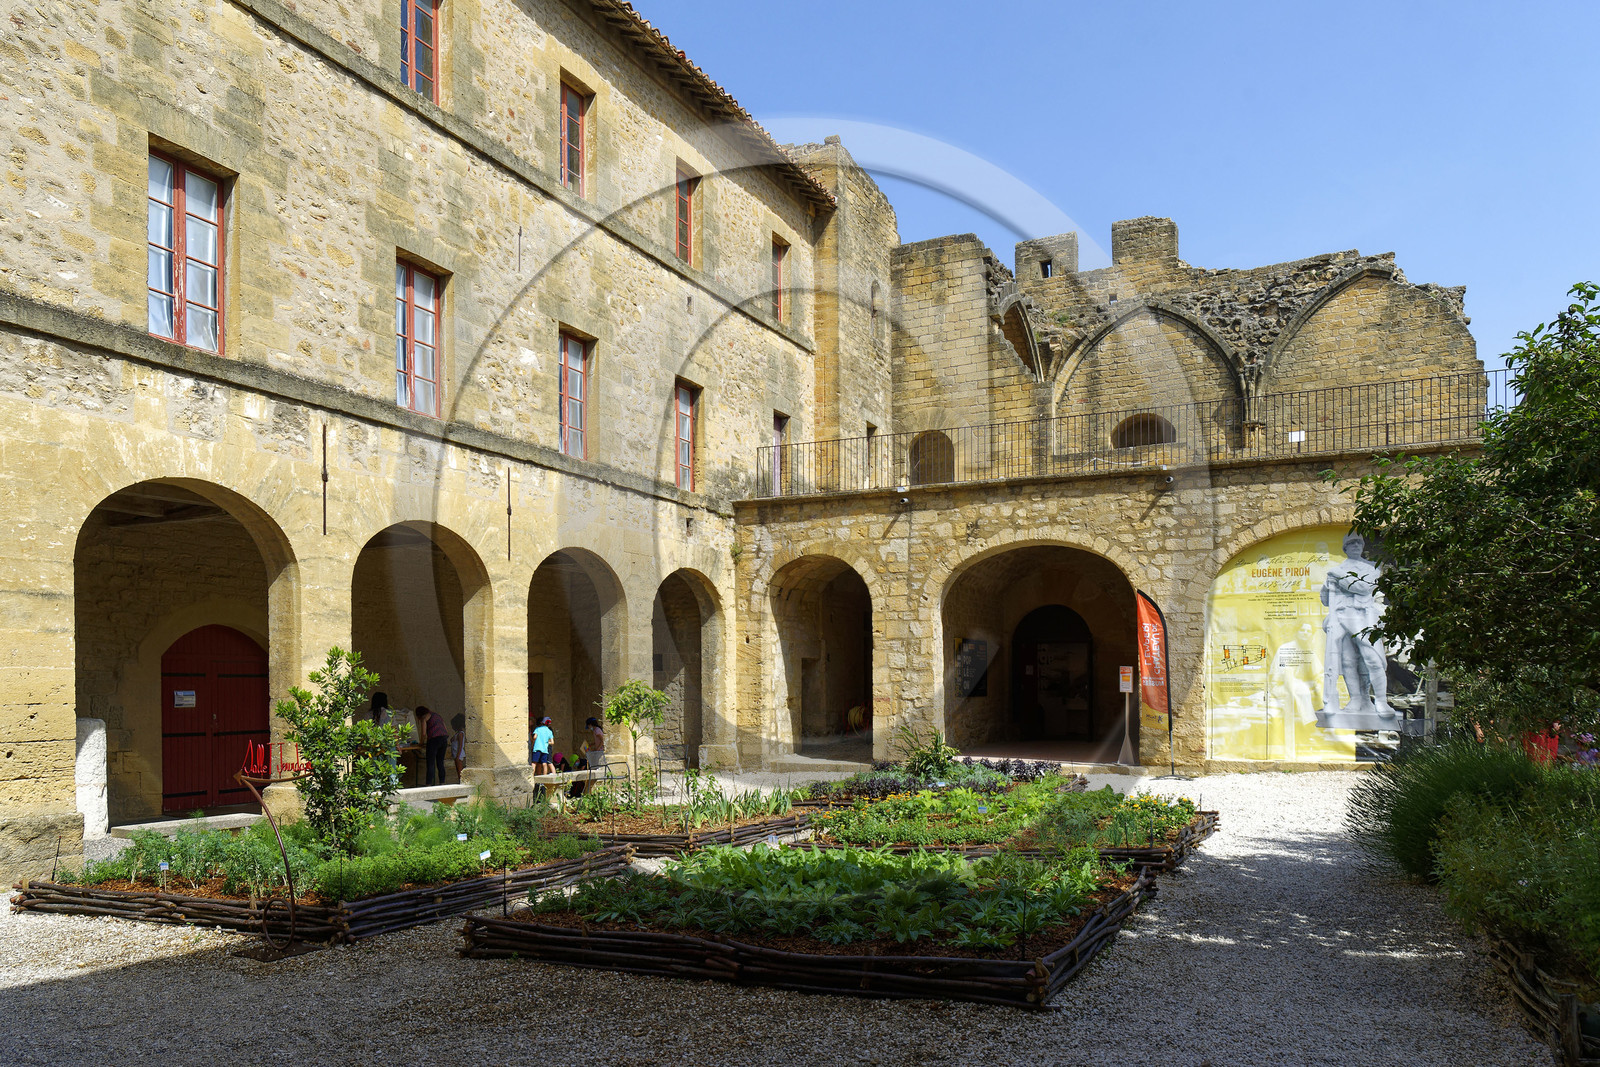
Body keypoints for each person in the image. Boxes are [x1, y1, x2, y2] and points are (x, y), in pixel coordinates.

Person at [415, 706, 449, 786]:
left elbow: (423, 733)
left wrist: (421, 743)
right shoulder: (437, 716)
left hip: (433, 740)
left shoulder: (424, 718)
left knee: (431, 763)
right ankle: (442, 782)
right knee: (440, 762)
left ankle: (429, 784)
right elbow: (445, 729)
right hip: (444, 739)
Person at [531, 716, 556, 780]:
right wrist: (546, 742)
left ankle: (531, 777)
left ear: (542, 722)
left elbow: (534, 737)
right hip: (545, 749)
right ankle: (545, 777)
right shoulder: (549, 731)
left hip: (537, 748)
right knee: (544, 763)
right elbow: (552, 742)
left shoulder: (538, 729)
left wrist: (533, 742)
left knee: (534, 763)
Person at [448, 713, 467, 781]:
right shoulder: (457, 734)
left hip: (458, 754)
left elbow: (460, 745)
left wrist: (458, 756)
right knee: (457, 769)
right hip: (456, 754)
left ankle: (461, 781)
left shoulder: (461, 734)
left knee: (460, 771)